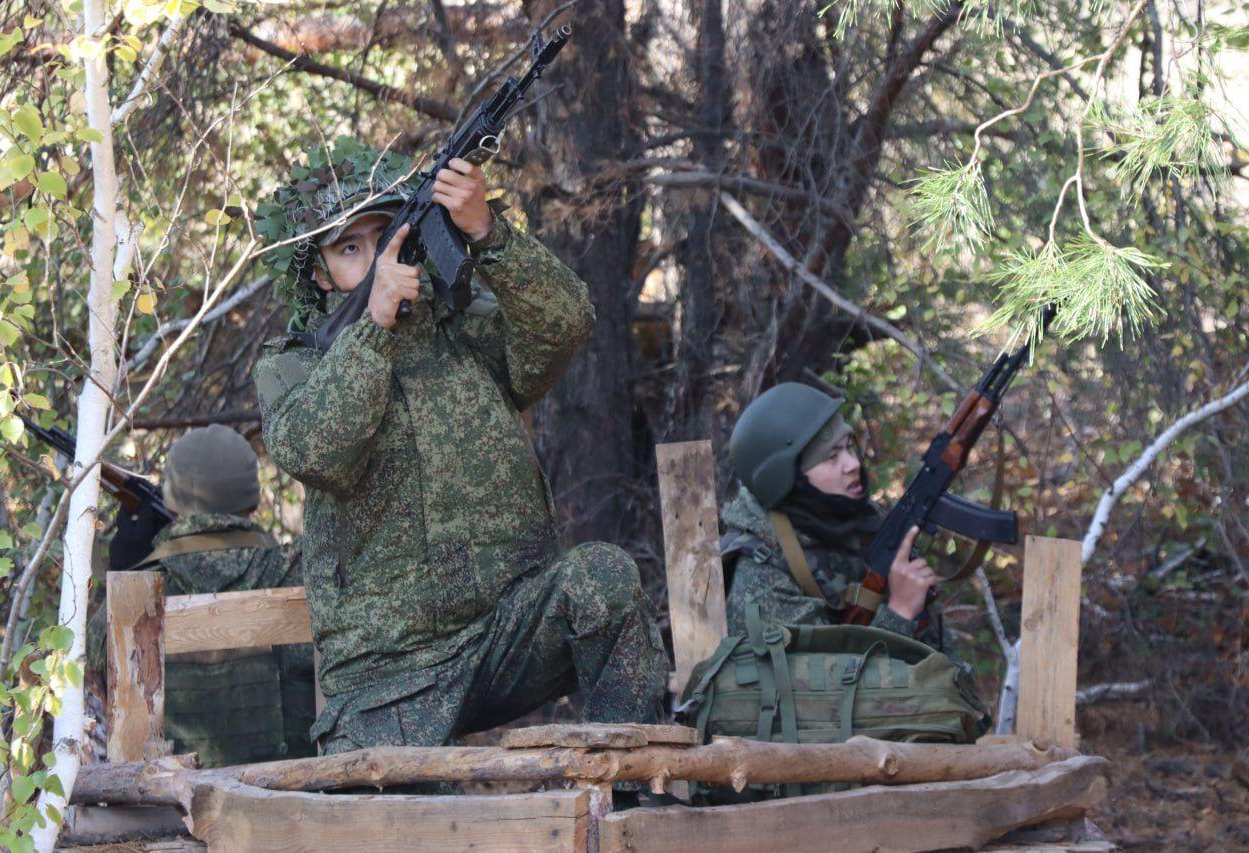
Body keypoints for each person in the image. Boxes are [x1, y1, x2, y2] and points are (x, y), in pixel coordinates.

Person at [252, 137, 667, 753]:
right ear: (318, 273)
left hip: (508, 636)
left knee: (603, 578)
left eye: (386, 235)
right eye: (348, 249)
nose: (374, 261)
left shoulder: (468, 329)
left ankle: (630, 800)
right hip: (389, 674)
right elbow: (318, 451)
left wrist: (489, 233)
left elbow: (566, 323)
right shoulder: (294, 366)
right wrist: (374, 330)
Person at [87, 424, 316, 766]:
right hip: (300, 799)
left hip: (171, 809)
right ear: (252, 501)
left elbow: (90, 680)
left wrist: (122, 576)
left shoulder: (142, 591)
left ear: (173, 505)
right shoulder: (302, 574)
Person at [722, 382, 945, 649]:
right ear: (787, 479)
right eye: (831, 457)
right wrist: (899, 614)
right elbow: (821, 687)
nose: (852, 464)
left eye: (849, 447)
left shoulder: (858, 523)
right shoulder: (762, 580)